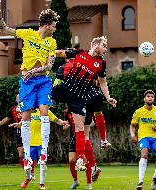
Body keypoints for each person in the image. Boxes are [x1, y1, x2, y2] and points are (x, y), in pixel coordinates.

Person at [0, 0, 59, 171]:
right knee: (25, 117)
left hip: (43, 80)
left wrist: (36, 71)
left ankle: (44, 151)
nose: (54, 29)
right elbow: (4, 29)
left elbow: (50, 65)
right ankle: (29, 158)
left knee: (44, 111)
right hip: (27, 82)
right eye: (53, 25)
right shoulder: (28, 34)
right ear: (46, 25)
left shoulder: (51, 43)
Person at [52, 36, 117, 170]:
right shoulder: (79, 53)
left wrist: (108, 97)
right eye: (104, 46)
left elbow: (103, 82)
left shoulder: (101, 64)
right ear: (96, 44)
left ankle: (80, 159)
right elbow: (59, 53)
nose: (105, 49)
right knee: (44, 101)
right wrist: (44, 53)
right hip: (65, 88)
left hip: (78, 97)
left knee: (80, 128)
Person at [9, 109, 68, 189]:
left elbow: (56, 120)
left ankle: (42, 184)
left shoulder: (44, 111)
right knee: (27, 166)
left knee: (43, 163)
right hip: (30, 143)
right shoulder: (28, 111)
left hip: (41, 143)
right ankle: (28, 178)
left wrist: (63, 123)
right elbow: (23, 123)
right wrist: (18, 124)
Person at [130, 90, 156, 190]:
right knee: (144, 155)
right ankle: (140, 182)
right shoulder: (138, 111)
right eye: (148, 96)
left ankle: (154, 178)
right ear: (144, 98)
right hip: (143, 137)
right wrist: (133, 135)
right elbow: (132, 125)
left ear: (154, 99)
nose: (150, 98)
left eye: (152, 97)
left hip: (155, 138)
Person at [64, 108, 101, 190]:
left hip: (82, 137)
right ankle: (75, 181)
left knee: (85, 160)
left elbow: (92, 123)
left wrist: (82, 126)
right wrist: (66, 125)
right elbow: (66, 124)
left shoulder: (83, 109)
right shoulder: (67, 112)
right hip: (73, 138)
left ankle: (89, 184)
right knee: (71, 160)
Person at [0, 95, 23, 168]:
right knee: (21, 154)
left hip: (30, 131)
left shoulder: (29, 108)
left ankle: (33, 170)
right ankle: (27, 173)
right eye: (18, 98)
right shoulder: (13, 110)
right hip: (19, 132)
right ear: (16, 100)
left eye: (22, 96)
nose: (20, 99)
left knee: (30, 152)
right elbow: (6, 119)